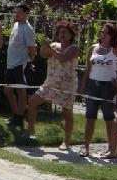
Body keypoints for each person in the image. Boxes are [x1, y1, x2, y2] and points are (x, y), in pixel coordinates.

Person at [26, 20, 80, 150]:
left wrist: (50, 48)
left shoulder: (74, 48)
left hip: (66, 86)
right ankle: (30, 131)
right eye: (60, 32)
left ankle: (66, 141)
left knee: (67, 113)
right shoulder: (54, 45)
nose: (62, 34)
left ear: (71, 34)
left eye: (65, 32)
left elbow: (63, 58)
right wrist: (45, 46)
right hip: (50, 84)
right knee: (32, 101)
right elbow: (43, 55)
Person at [78, 23, 117, 158]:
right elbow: (87, 70)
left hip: (108, 87)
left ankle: (111, 148)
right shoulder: (93, 48)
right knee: (90, 116)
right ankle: (86, 147)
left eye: (106, 33)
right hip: (92, 85)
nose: (103, 35)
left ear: (112, 35)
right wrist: (83, 87)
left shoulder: (115, 50)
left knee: (108, 117)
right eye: (102, 32)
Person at [3, 3, 37, 128]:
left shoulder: (28, 29)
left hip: (20, 64)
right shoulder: (16, 25)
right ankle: (16, 113)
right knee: (7, 91)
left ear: (26, 13)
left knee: (21, 91)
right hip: (10, 64)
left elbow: (32, 50)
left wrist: (29, 63)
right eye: (16, 12)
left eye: (20, 12)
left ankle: (19, 117)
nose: (16, 14)